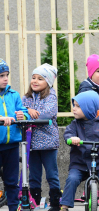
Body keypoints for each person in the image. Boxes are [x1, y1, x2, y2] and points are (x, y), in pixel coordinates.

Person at [60, 91, 99, 211]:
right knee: (72, 179)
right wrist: (71, 138)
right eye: (74, 105)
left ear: (88, 108)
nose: (74, 109)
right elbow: (68, 134)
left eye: (78, 106)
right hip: (79, 164)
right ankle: (65, 206)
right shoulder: (74, 125)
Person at [22, 63, 61, 210]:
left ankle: (56, 203)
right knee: (33, 176)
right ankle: (35, 202)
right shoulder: (26, 98)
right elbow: (19, 112)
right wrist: (28, 111)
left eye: (40, 78)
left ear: (48, 83)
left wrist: (29, 114)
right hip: (30, 143)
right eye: (33, 78)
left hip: (48, 143)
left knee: (52, 174)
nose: (35, 81)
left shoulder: (51, 96)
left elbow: (47, 114)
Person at [0, 58, 30, 211]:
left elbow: (25, 112)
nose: (5, 79)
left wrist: (22, 116)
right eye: (1, 76)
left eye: (6, 75)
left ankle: (13, 207)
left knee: (11, 181)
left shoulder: (13, 94)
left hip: (11, 145)